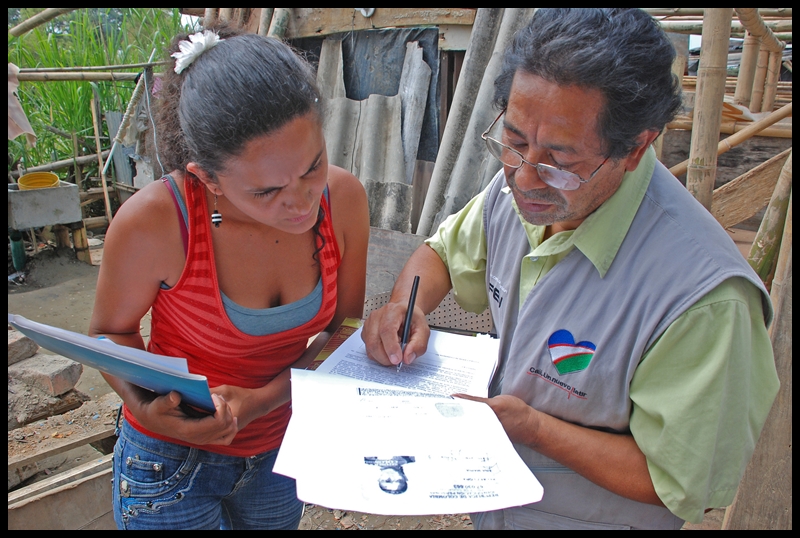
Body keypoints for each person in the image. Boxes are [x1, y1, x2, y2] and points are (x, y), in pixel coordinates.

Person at [362, 8, 779, 530]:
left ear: (635, 148)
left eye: (559, 162)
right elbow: (442, 254)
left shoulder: (705, 302)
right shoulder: (519, 192)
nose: (524, 178)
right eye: (514, 141)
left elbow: (681, 481)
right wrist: (406, 307)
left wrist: (535, 428)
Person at [90, 24, 370, 530]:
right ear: (207, 178)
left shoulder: (343, 201)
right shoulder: (157, 223)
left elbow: (343, 332)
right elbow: (110, 333)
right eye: (267, 191)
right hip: (168, 463)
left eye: (312, 167)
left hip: (280, 455)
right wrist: (145, 407)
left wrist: (261, 402)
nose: (301, 202)